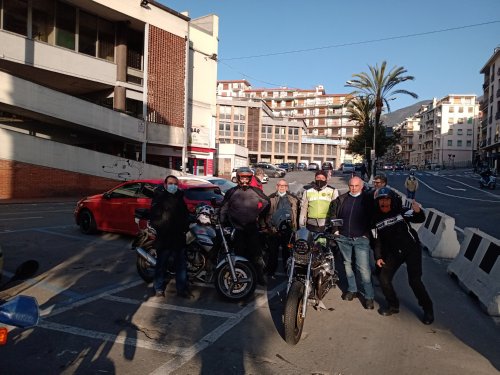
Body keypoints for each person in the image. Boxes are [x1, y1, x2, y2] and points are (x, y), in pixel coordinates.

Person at [372, 187, 434, 325]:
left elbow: (418, 218)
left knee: (414, 281)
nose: (384, 203)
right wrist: (378, 257)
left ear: (392, 200)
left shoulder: (402, 211)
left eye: (387, 199)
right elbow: (376, 240)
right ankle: (393, 305)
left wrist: (418, 211)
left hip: (411, 249)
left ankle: (428, 309)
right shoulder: (374, 219)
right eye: (381, 200)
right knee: (383, 278)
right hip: (393, 253)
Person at [327, 176, 375, 309]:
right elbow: (333, 215)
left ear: (361, 186)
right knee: (347, 265)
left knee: (363, 269)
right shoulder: (342, 199)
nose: (353, 188)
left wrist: (366, 235)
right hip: (343, 238)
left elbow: (373, 218)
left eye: (356, 186)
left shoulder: (368, 200)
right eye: (351, 186)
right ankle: (352, 290)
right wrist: (336, 230)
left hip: (361, 239)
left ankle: (369, 296)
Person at [219, 167, 270, 285]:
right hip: (237, 229)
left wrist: (260, 215)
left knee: (256, 254)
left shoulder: (255, 191)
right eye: (243, 177)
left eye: (247, 178)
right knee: (239, 254)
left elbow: (267, 202)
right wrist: (222, 221)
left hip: (252, 228)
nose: (245, 180)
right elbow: (224, 208)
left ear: (250, 178)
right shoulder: (231, 192)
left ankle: (259, 277)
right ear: (238, 178)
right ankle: (240, 276)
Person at [149, 175, 190, 298]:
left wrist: (185, 227)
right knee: (161, 264)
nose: (173, 186)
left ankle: (181, 289)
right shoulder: (160, 198)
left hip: (178, 237)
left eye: (175, 184)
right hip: (165, 238)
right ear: (166, 185)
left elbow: (185, 215)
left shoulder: (180, 198)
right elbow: (154, 218)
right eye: (171, 183)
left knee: (181, 265)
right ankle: (159, 288)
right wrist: (164, 227)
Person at [266, 179, 300, 274]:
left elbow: (297, 215)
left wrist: (296, 229)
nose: (282, 187)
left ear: (287, 187)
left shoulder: (293, 199)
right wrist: (268, 227)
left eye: (284, 185)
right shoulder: (270, 198)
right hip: (274, 230)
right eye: (280, 185)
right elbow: (266, 214)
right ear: (277, 186)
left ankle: (288, 271)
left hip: (288, 230)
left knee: (287, 252)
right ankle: (271, 271)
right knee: (273, 252)